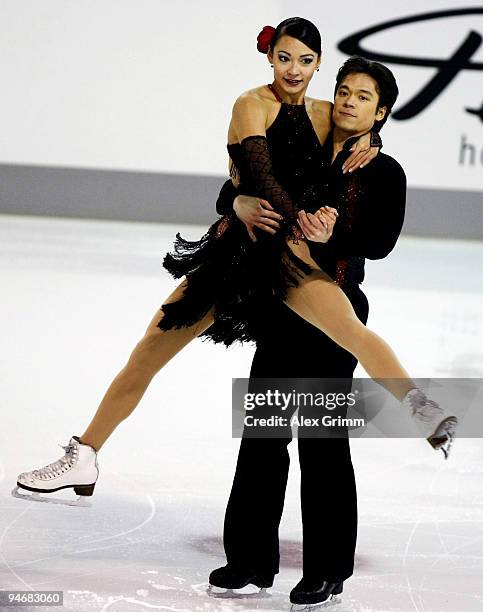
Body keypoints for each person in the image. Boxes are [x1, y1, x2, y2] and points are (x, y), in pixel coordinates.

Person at [13, 15, 455, 544]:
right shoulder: (251, 103)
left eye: (307, 61)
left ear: (318, 67)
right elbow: (257, 176)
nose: (294, 70)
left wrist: (374, 141)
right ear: (270, 57)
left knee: (349, 329)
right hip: (238, 254)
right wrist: (246, 204)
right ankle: (84, 455)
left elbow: (355, 132)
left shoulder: (325, 113)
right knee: (150, 349)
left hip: (290, 261)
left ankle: (424, 412)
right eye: (285, 57)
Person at [206, 53, 419, 609]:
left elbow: (380, 242)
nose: (349, 101)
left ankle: (327, 569)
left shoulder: (384, 170)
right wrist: (239, 200)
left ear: (382, 112)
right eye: (344, 90)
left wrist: (334, 233)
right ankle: (249, 560)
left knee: (322, 441)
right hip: (281, 304)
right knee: (263, 436)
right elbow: (234, 188)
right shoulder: (300, 148)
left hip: (337, 312)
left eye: (364, 96)